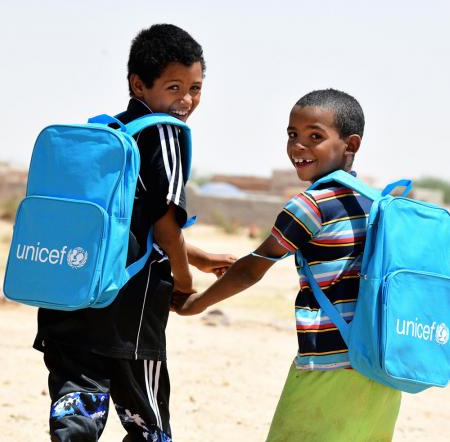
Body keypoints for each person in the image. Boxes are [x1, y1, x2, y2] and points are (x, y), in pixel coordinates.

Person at [33, 24, 236, 442]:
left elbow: (125, 224)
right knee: (148, 425)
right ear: (138, 84)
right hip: (129, 313)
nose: (186, 101)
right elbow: (164, 222)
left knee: (78, 413)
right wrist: (183, 280)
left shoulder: (107, 134)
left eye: (196, 88)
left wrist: (198, 256)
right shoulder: (165, 132)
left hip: (70, 297)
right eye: (175, 87)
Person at [175, 89, 401, 441]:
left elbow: (253, 267)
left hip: (329, 365)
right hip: (382, 366)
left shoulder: (312, 204)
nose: (298, 146)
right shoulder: (379, 205)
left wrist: (195, 304)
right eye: (292, 135)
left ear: (350, 144)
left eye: (315, 136)